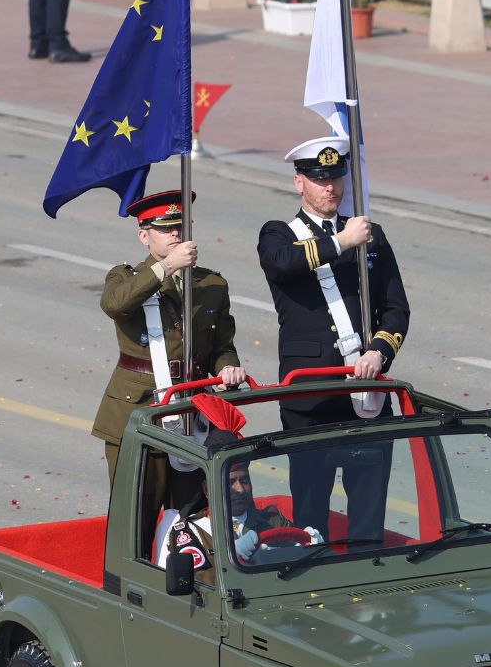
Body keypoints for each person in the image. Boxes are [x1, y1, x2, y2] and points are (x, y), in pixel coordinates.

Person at [257, 137, 410, 545]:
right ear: (299, 183)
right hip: (311, 392)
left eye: (337, 178)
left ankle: (368, 570)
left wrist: (379, 350)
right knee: (310, 508)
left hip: (364, 387)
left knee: (368, 502)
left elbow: (396, 309)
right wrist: (342, 242)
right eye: (319, 179)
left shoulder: (370, 235)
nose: (331, 188)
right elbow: (283, 264)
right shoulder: (278, 233)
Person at [92, 189, 246, 487]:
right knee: (138, 518)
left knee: (190, 515)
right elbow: (115, 304)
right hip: (140, 406)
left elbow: (222, 345)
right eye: (164, 228)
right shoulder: (125, 277)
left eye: (180, 226)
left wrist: (228, 366)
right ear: (144, 237)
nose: (175, 233)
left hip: (193, 409)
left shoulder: (211, 282)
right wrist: (167, 267)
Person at [155, 431, 292, 576]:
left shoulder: (273, 520)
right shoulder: (190, 533)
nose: (240, 489)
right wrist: (233, 559)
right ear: (207, 489)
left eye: (245, 480)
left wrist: (311, 546)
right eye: (230, 482)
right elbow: (202, 586)